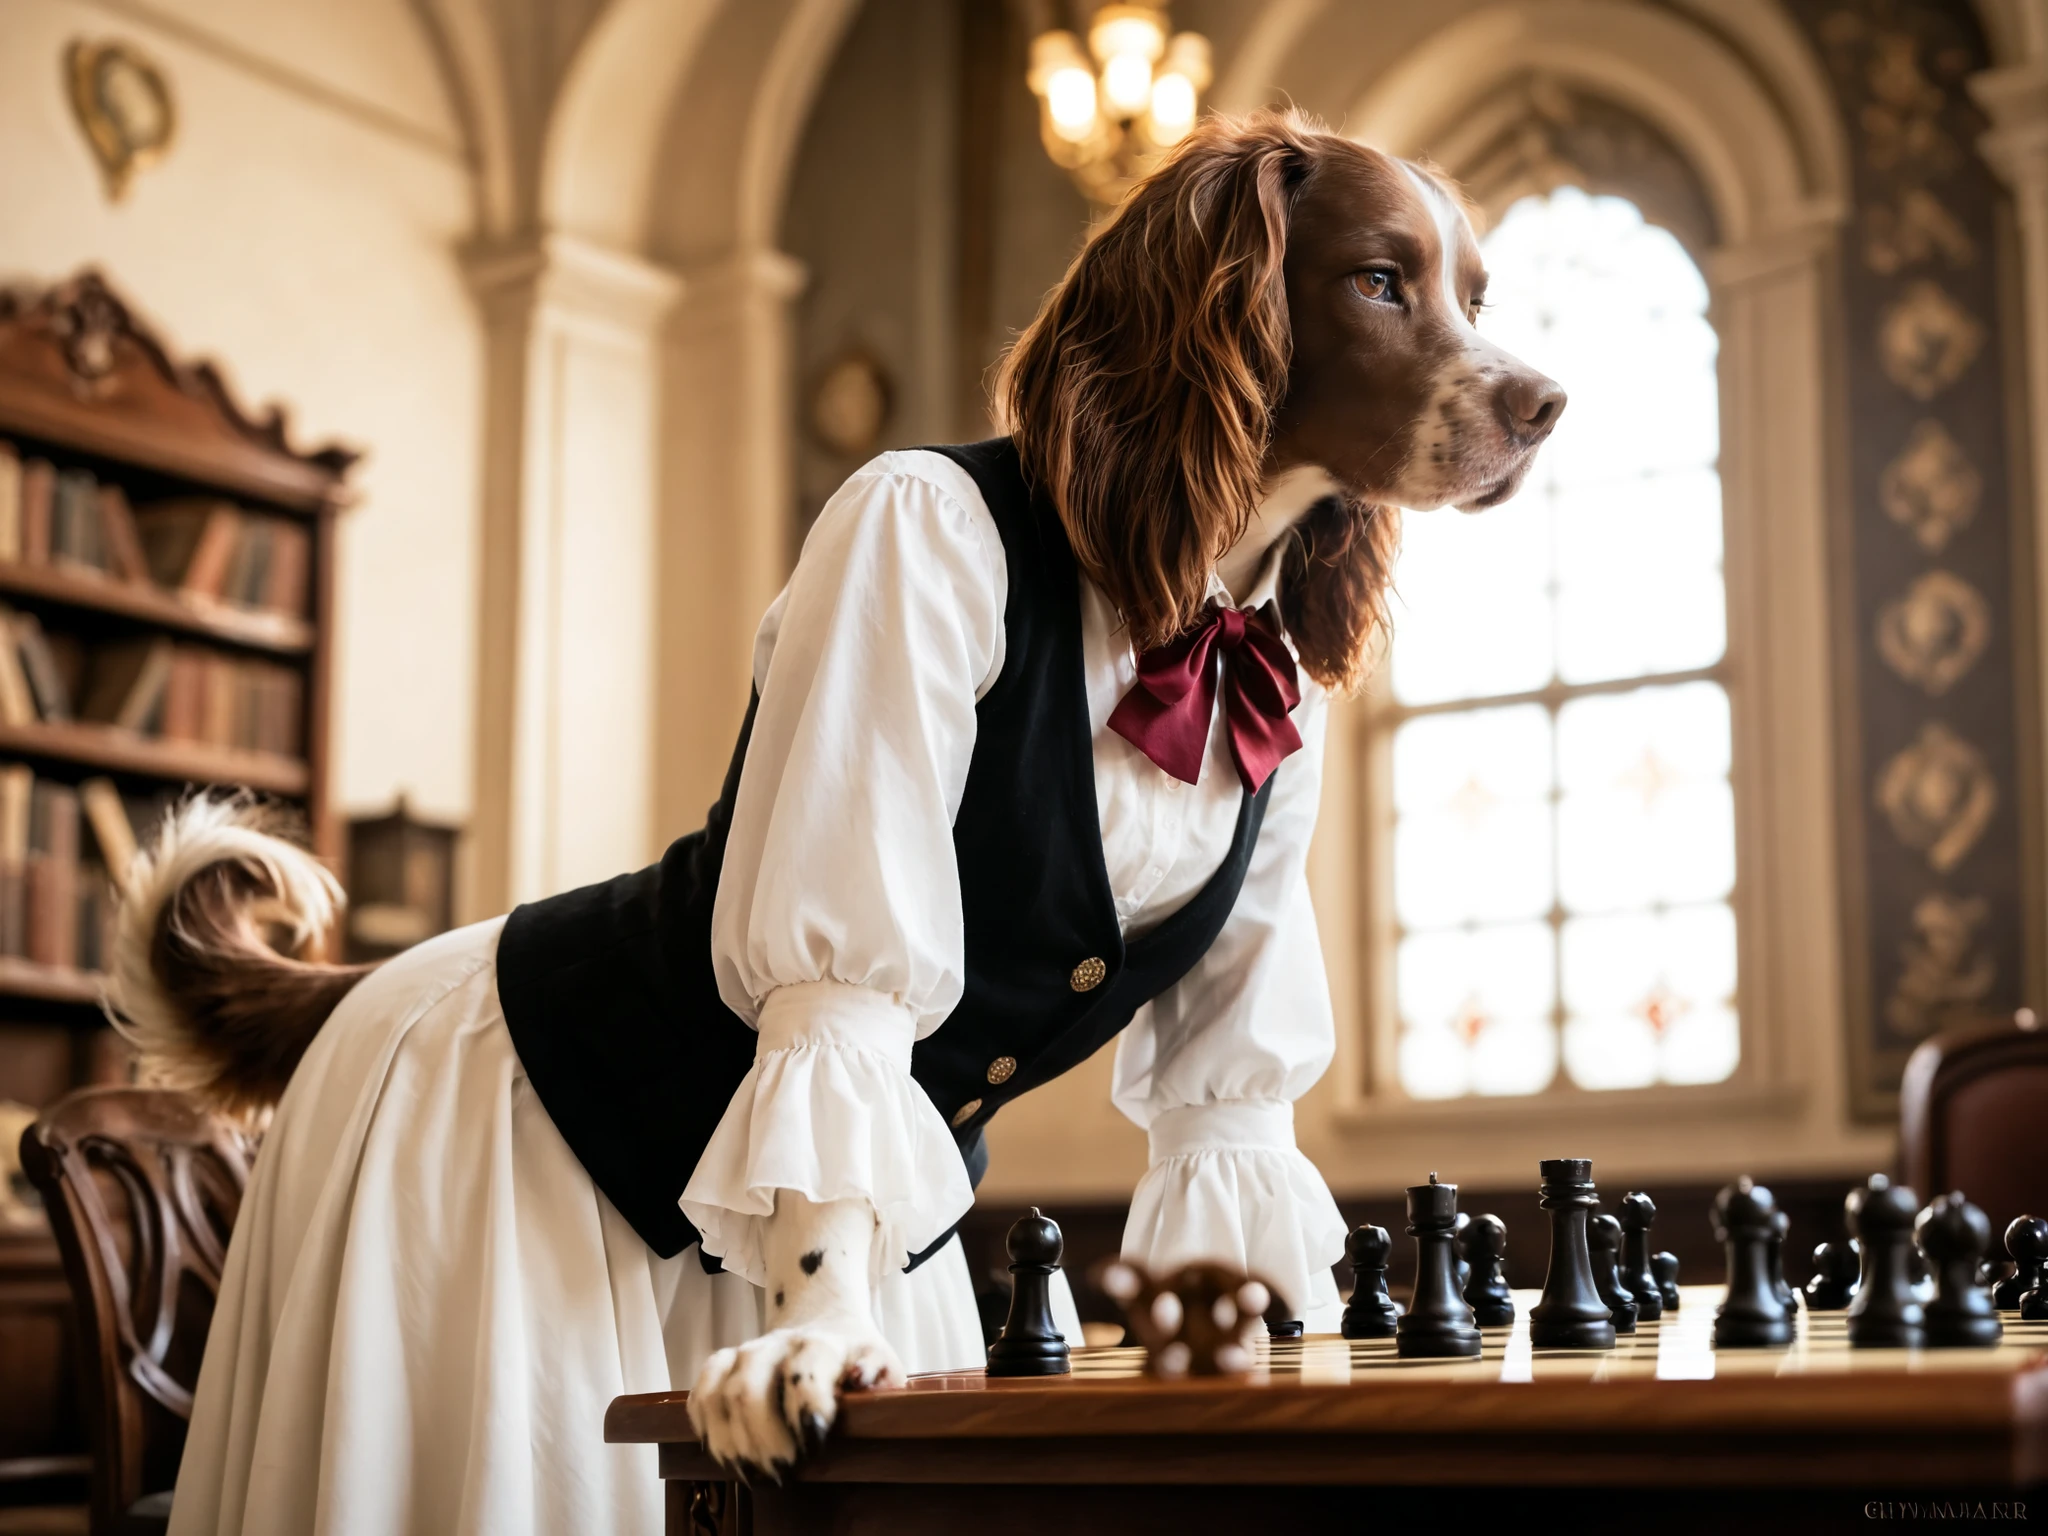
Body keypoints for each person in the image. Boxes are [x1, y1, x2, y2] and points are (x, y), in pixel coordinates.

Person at [132, 110, 1562, 1534]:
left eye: (1465, 300)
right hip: (532, 1119)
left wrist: (1253, 1386)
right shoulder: (928, 527)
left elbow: (1228, 1102)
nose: (1490, 359)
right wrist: (824, 1304)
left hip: (874, 1195)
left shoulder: (1272, 704)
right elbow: (840, 979)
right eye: (1386, 281)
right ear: (1227, 316)